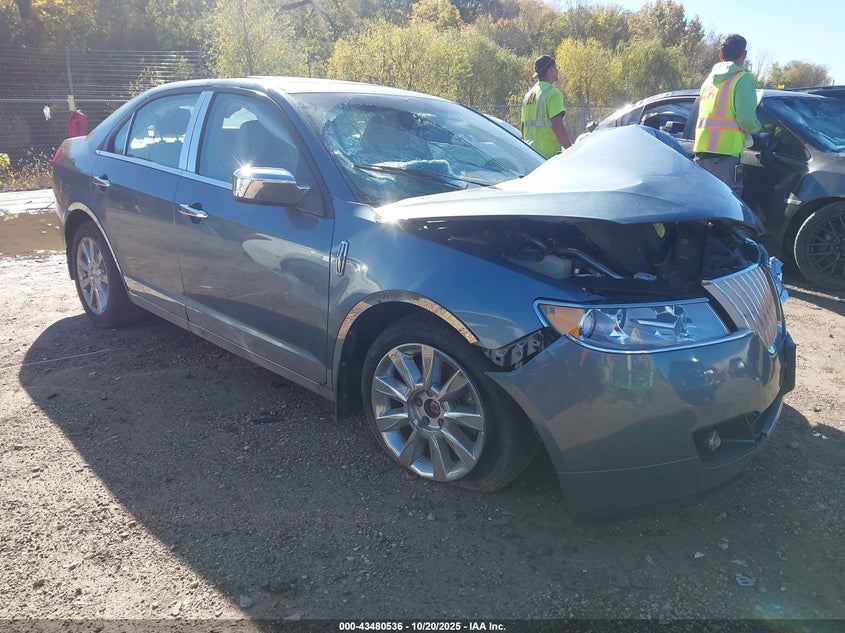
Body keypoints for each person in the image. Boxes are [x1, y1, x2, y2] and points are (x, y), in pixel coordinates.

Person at [693, 34, 761, 196]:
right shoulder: (743, 79)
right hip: (725, 157)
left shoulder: (708, 81)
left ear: (720, 55)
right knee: (727, 209)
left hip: (701, 153)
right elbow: (746, 120)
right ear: (744, 55)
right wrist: (758, 128)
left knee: (706, 204)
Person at [521, 55, 572, 158]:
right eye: (556, 67)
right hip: (547, 157)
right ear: (551, 69)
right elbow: (557, 126)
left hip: (530, 155)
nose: (557, 70)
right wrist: (571, 151)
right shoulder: (553, 93)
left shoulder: (529, 95)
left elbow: (523, 127)